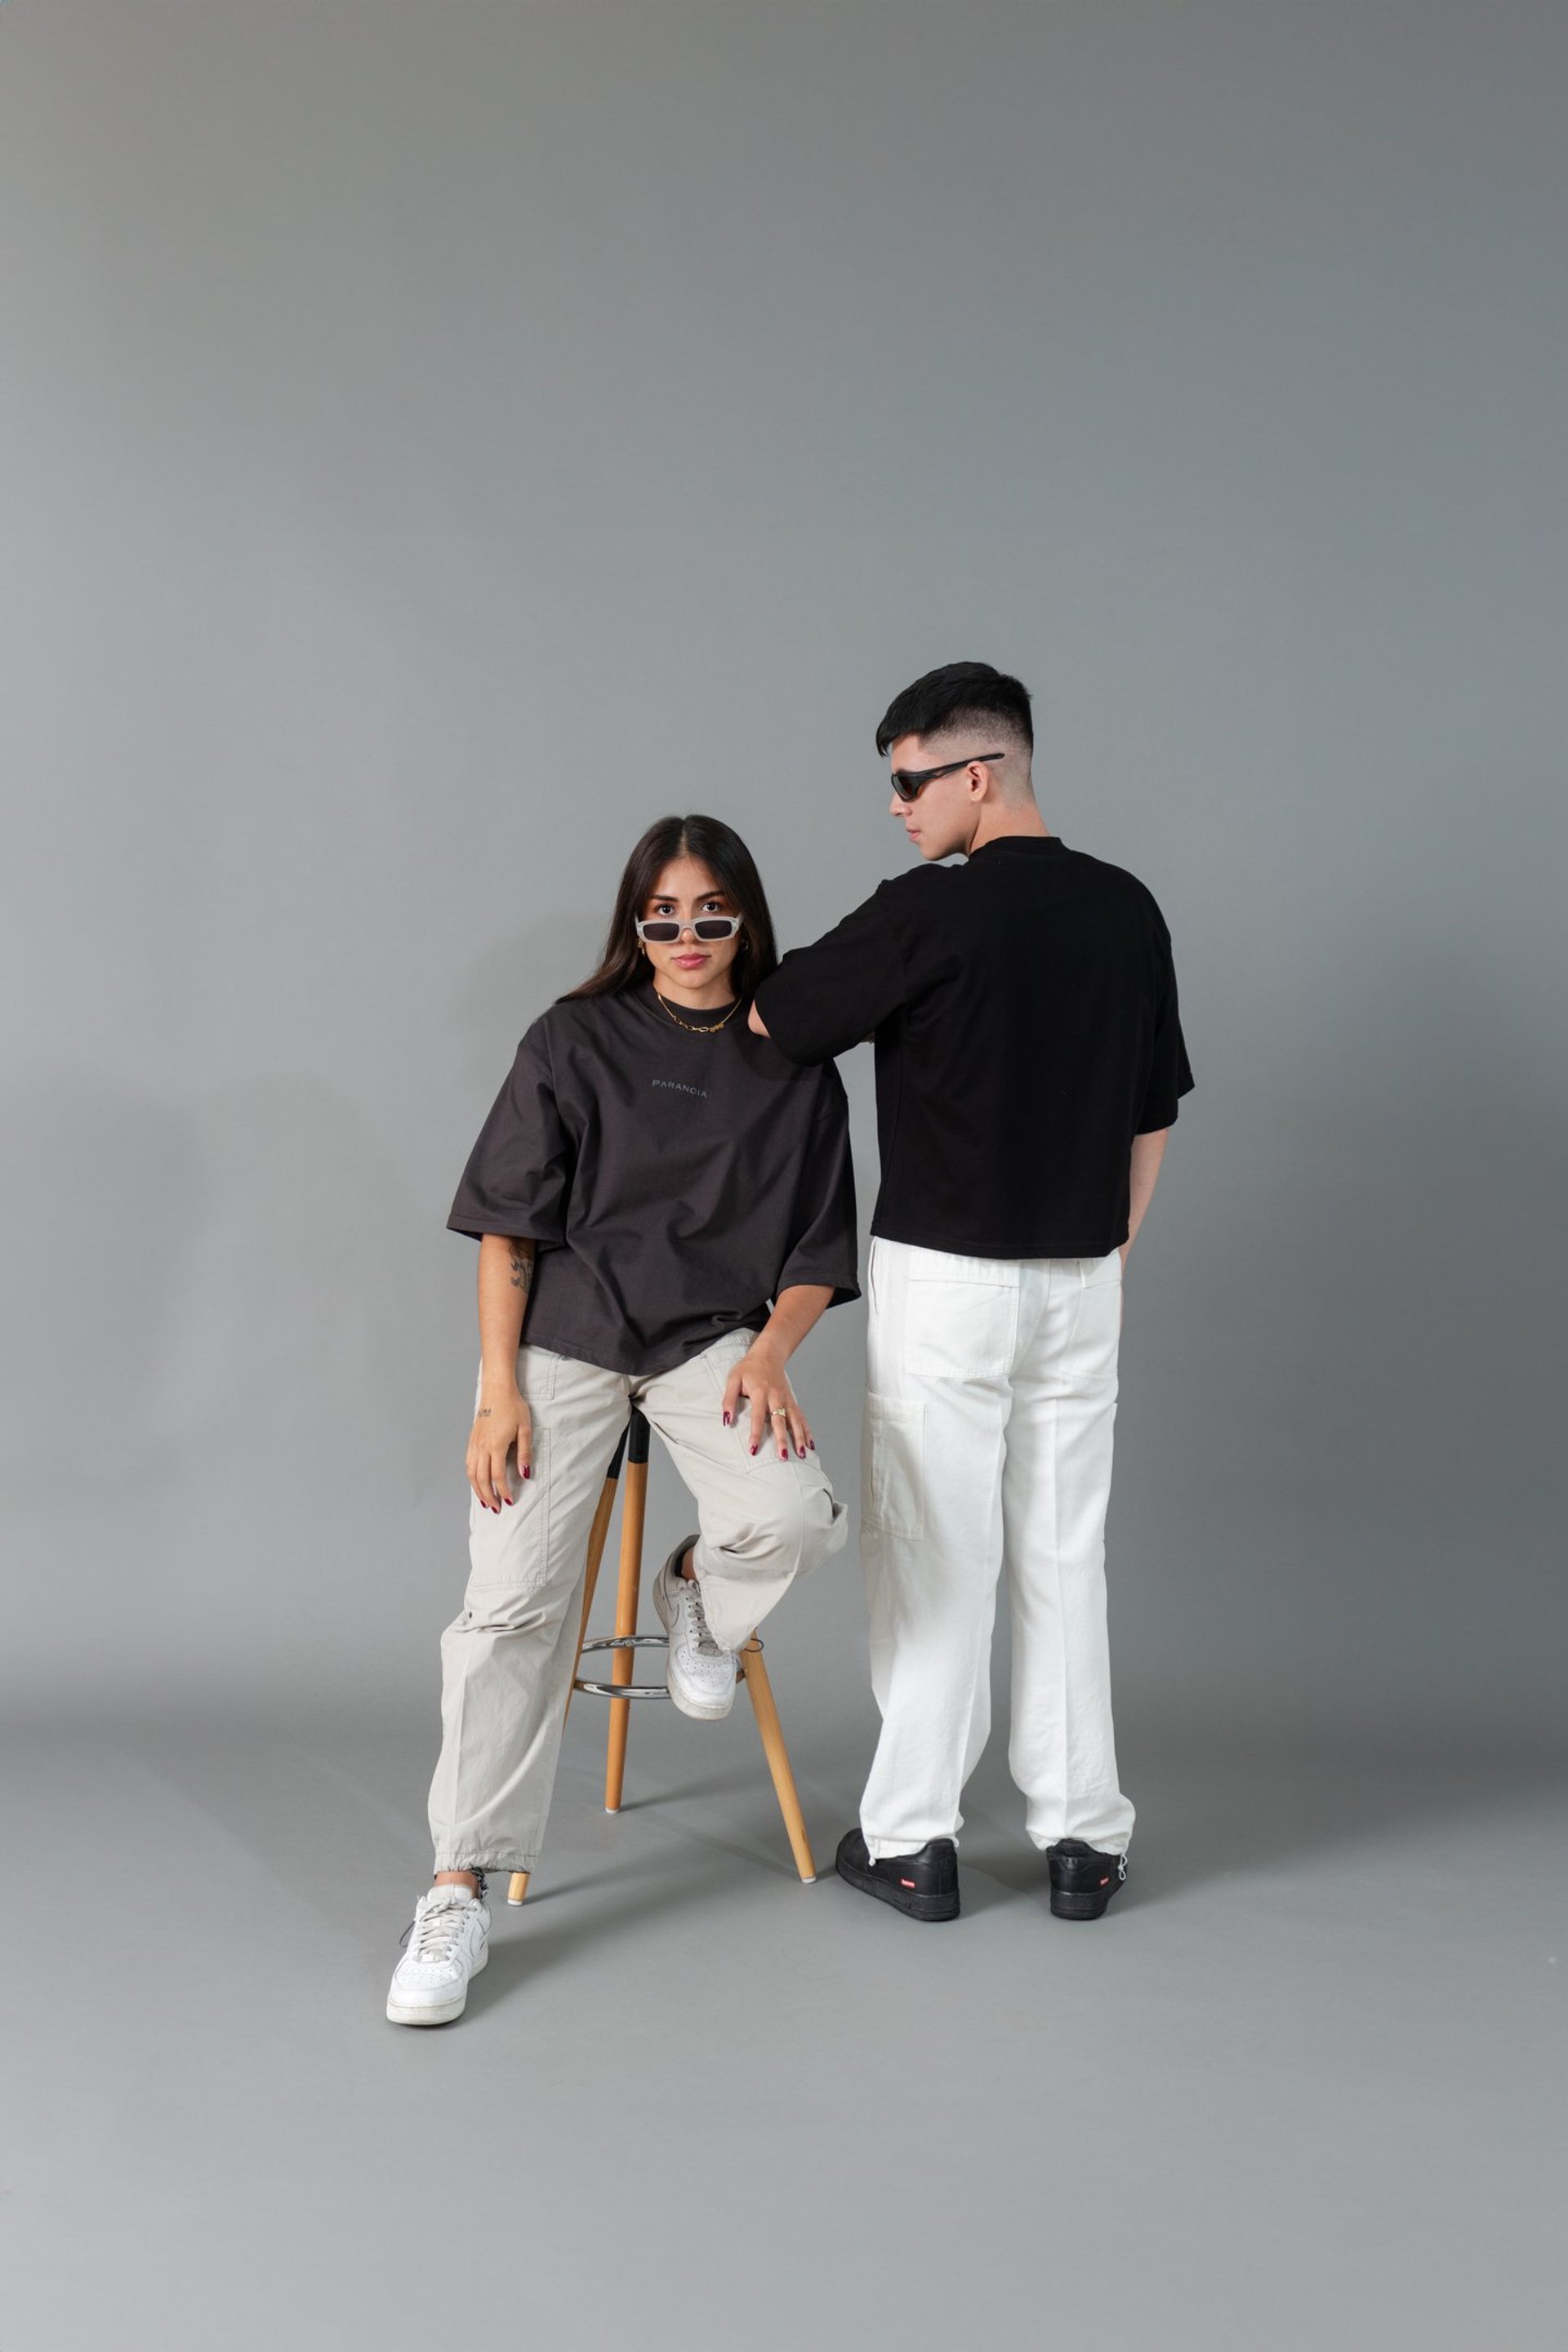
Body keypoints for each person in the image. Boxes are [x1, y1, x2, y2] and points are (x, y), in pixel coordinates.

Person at [387, 815, 856, 2025]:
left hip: (712, 1340)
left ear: (747, 917)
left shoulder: (796, 1063)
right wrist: (497, 1389)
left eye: (712, 913)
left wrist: (772, 1349)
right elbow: (507, 1227)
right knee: (509, 1609)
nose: (688, 936)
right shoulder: (574, 1036)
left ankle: (695, 1583)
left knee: (800, 1516)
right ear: (632, 922)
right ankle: (456, 1892)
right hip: (568, 1338)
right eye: (664, 915)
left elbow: (816, 1249)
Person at [750, 662, 1193, 1925]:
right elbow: (1153, 1112)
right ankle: (1083, 1841)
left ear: (976, 774)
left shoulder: (925, 916)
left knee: (938, 1554)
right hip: (1081, 1275)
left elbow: (777, 1022)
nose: (896, 808)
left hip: (946, 1278)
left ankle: (913, 1841)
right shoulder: (1129, 909)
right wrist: (1106, 1246)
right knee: (1065, 1554)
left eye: (907, 781)